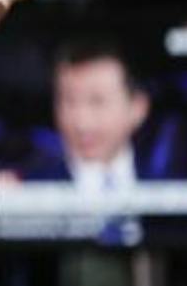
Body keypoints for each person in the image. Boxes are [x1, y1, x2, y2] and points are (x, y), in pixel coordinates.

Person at [20, 38, 158, 189]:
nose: (82, 123)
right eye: (68, 101)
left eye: (97, 101)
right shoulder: (29, 189)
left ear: (138, 108)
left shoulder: (169, 186)